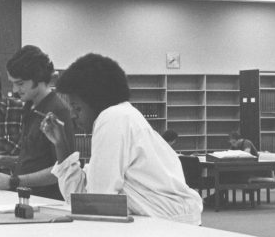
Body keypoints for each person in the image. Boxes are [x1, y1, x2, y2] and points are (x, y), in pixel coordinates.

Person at [39, 53, 202, 225]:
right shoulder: (123, 116)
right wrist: (61, 145)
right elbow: (83, 199)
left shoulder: (113, 118)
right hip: (168, 222)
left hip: (170, 226)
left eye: (77, 108)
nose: (72, 115)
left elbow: (97, 202)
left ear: (96, 101)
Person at [0, 45, 73, 200]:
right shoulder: (30, 106)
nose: (14, 89)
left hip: (48, 201)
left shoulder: (57, 111)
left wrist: (14, 181)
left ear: (38, 79)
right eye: (12, 83)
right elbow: (34, 158)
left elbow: (63, 169)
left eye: (20, 83)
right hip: (28, 197)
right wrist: (4, 160)